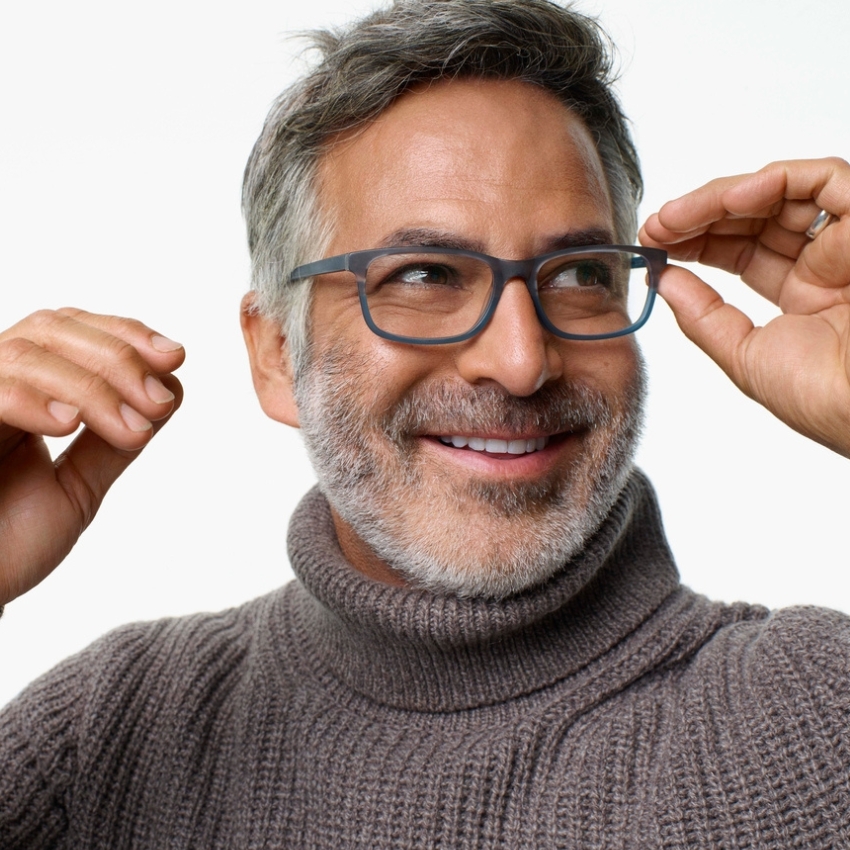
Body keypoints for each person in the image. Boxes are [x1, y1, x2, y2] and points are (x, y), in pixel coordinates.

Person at [1, 0, 848, 846]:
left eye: (579, 272)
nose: (520, 362)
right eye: (423, 274)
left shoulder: (818, 720)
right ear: (274, 355)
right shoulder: (100, 740)